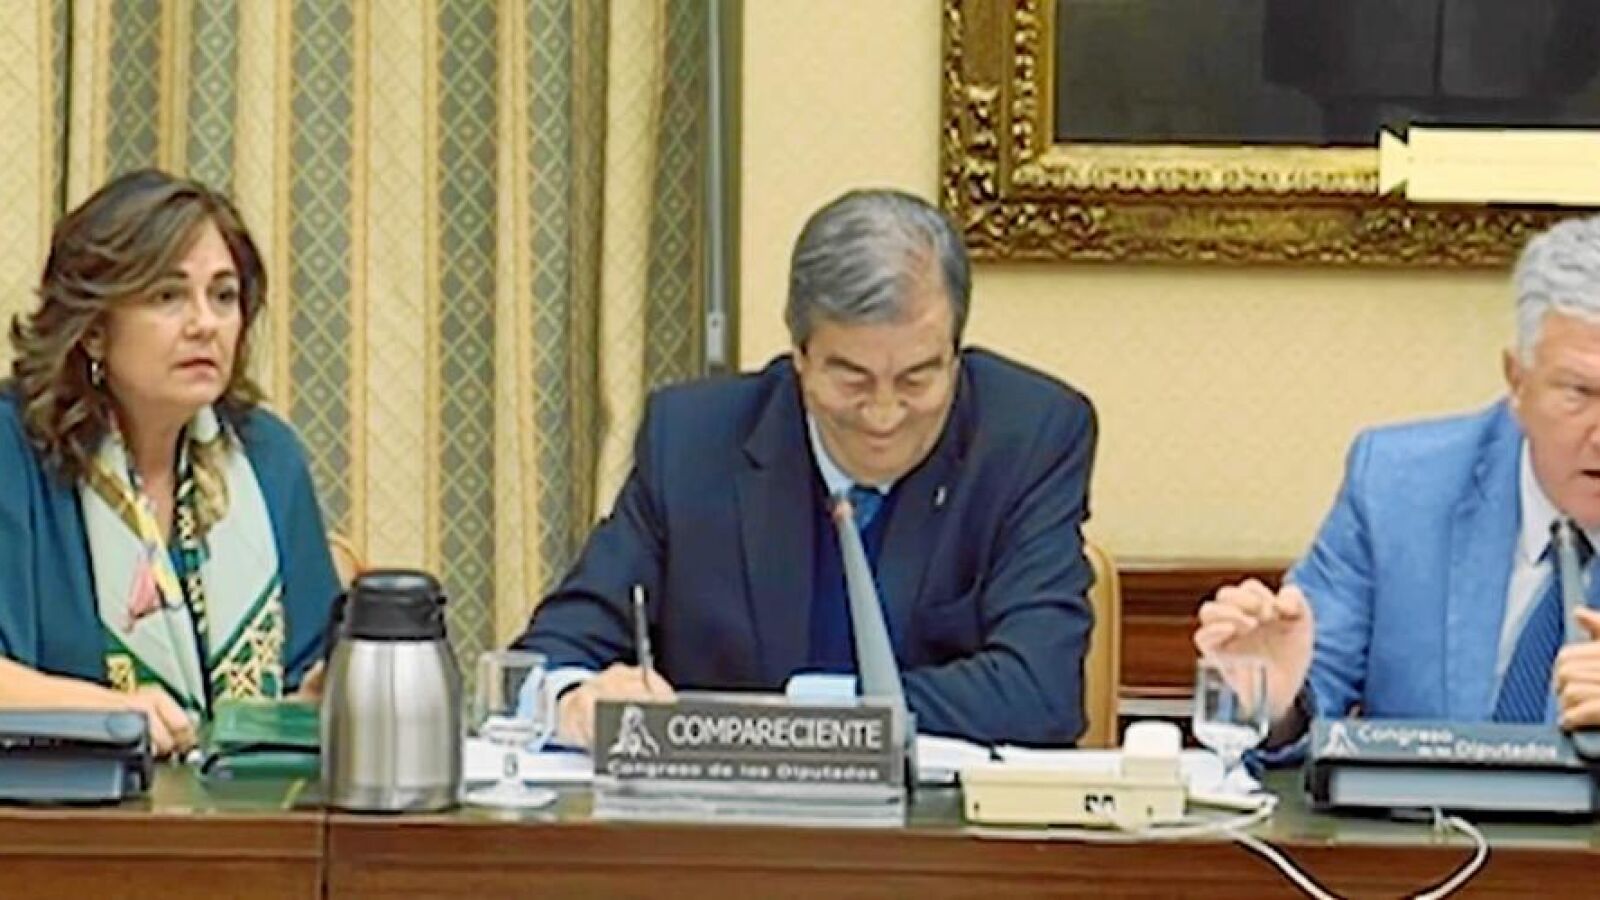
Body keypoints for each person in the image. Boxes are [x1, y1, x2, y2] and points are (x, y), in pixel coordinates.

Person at [517, 189, 1098, 748]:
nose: (884, 413)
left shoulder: (1028, 438)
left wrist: (814, 713)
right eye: (852, 378)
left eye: (917, 378)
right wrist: (574, 699)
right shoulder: (693, 442)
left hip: (945, 817)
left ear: (955, 354)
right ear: (799, 354)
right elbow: (551, 653)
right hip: (730, 815)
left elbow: (1041, 692)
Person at [1194, 214, 1600, 752]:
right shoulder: (1397, 486)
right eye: (1579, 393)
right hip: (1424, 811)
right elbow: (1310, 689)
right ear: (1517, 382)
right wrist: (1277, 705)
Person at [0, 169, 341, 756]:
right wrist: (110, 714)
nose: (204, 324)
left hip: (243, 806)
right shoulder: (15, 447)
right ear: (94, 329)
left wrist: (325, 696)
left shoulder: (267, 459)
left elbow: (310, 673)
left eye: (223, 296)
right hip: (55, 806)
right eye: (167, 296)